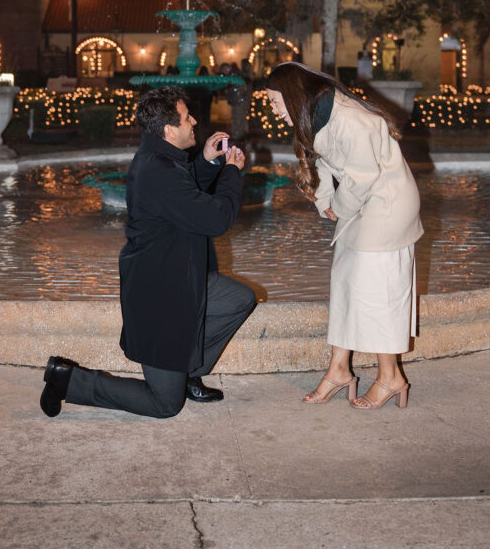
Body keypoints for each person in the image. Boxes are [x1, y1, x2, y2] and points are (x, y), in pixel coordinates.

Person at [40, 86, 256, 419]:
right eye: (187, 118)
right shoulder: (160, 171)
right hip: (162, 296)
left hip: (182, 278)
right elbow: (215, 218)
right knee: (165, 404)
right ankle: (68, 380)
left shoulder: (160, 159)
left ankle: (187, 372)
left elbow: (183, 197)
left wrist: (207, 162)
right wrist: (231, 171)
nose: (194, 122)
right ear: (170, 129)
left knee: (238, 299)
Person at [265, 61, 422, 411]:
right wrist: (325, 203)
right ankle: (338, 370)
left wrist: (339, 205)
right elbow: (320, 161)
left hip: (387, 205)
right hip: (360, 202)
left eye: (275, 102)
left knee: (380, 290)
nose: (274, 111)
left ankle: (391, 376)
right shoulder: (317, 113)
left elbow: (363, 178)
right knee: (345, 280)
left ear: (292, 96)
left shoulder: (351, 121)